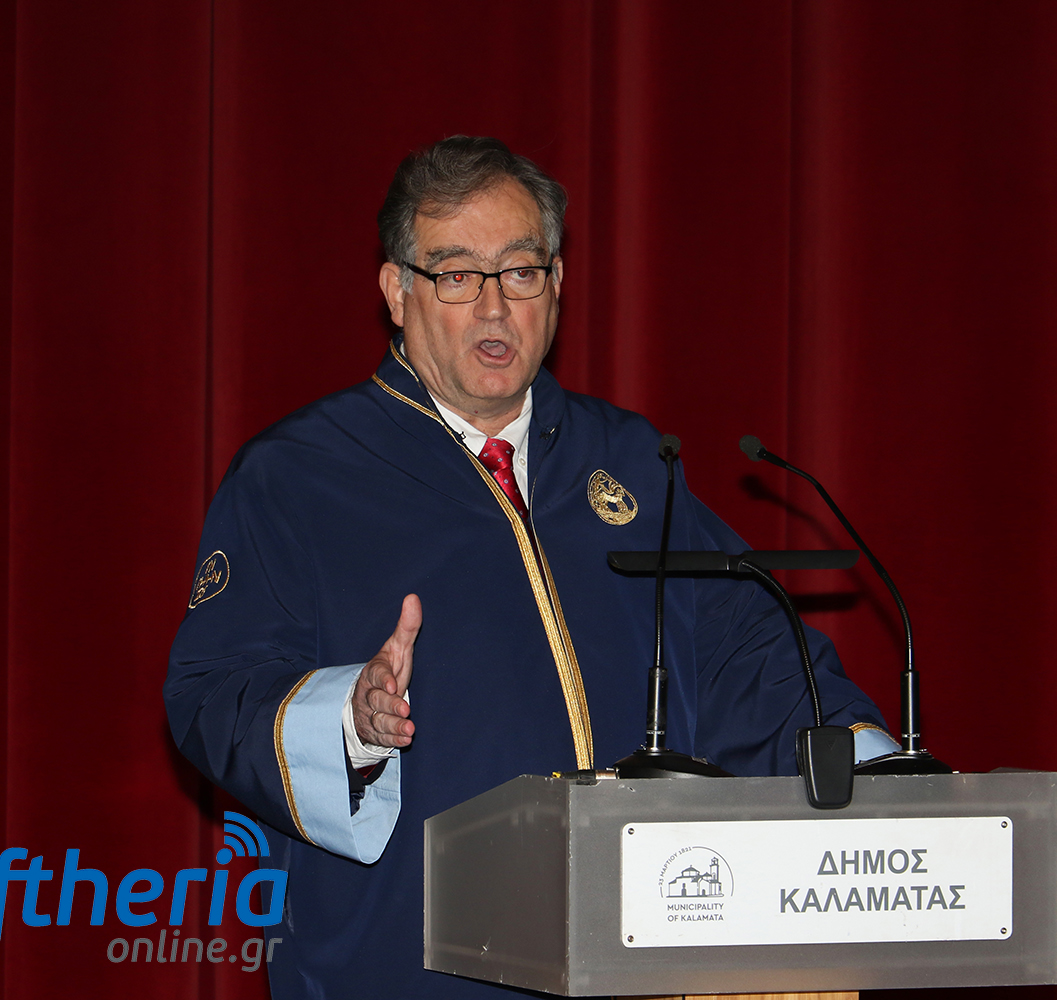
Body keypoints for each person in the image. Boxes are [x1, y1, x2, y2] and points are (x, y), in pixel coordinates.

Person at [164, 136, 899, 998]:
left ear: (557, 284)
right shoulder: (298, 476)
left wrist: (873, 765)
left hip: (641, 950)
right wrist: (349, 718)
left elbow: (747, 651)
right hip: (411, 966)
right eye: (456, 275)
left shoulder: (629, 460)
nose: (493, 307)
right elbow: (211, 694)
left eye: (520, 271)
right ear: (397, 291)